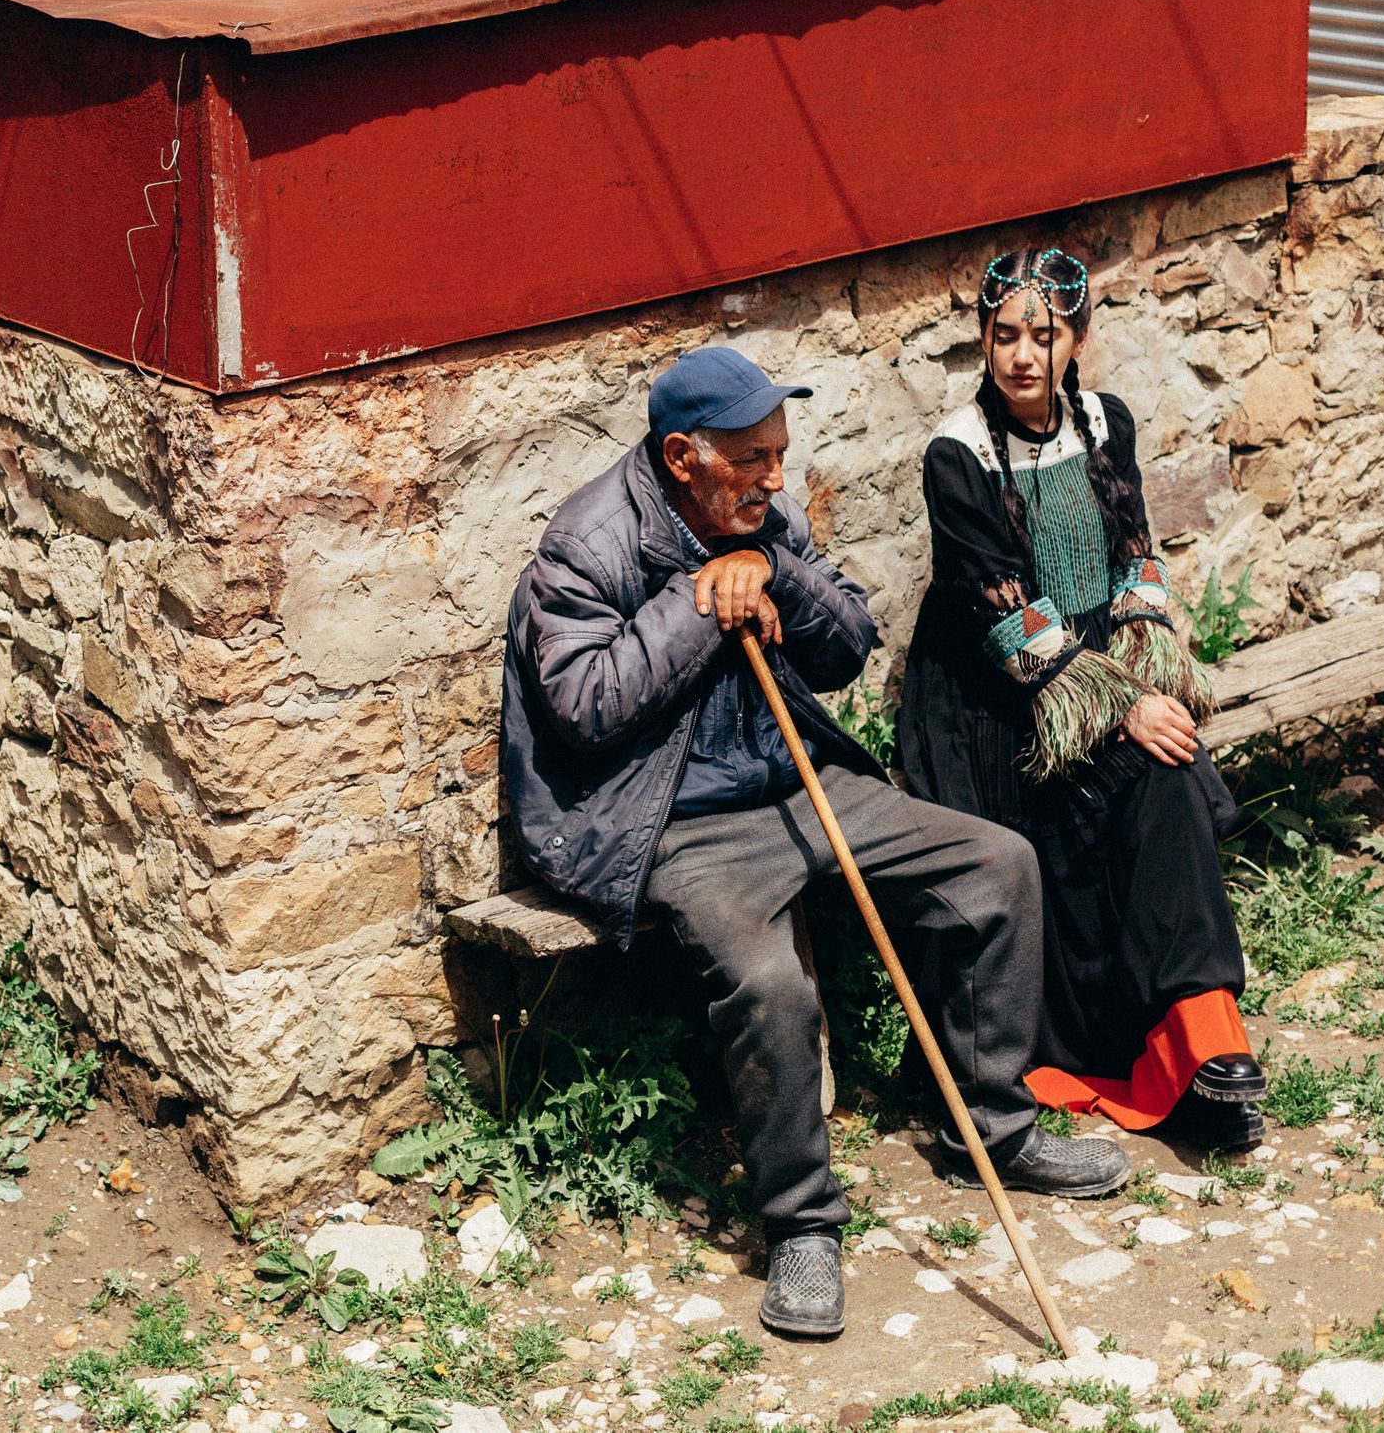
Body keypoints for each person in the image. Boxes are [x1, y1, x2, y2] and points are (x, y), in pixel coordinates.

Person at [500, 345, 1130, 1342]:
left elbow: (844, 648)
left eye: (778, 455)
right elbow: (583, 709)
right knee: (770, 983)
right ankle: (800, 1221)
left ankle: (994, 1127)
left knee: (995, 865)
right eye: (752, 459)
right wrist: (701, 595)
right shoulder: (587, 542)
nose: (775, 479)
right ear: (680, 456)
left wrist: (776, 574)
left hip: (801, 782)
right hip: (673, 821)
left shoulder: (760, 518)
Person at [899, 248, 1266, 1152]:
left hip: (1098, 666)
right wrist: (1125, 705)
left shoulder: (1106, 421)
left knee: (1168, 766)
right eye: (1003, 334)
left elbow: (1137, 549)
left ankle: (1202, 1043)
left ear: (1079, 339)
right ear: (982, 340)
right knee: (1152, 765)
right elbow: (1008, 619)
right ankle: (1190, 1046)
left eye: (1044, 333)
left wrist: (1150, 658)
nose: (1022, 354)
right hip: (1000, 699)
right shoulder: (958, 453)